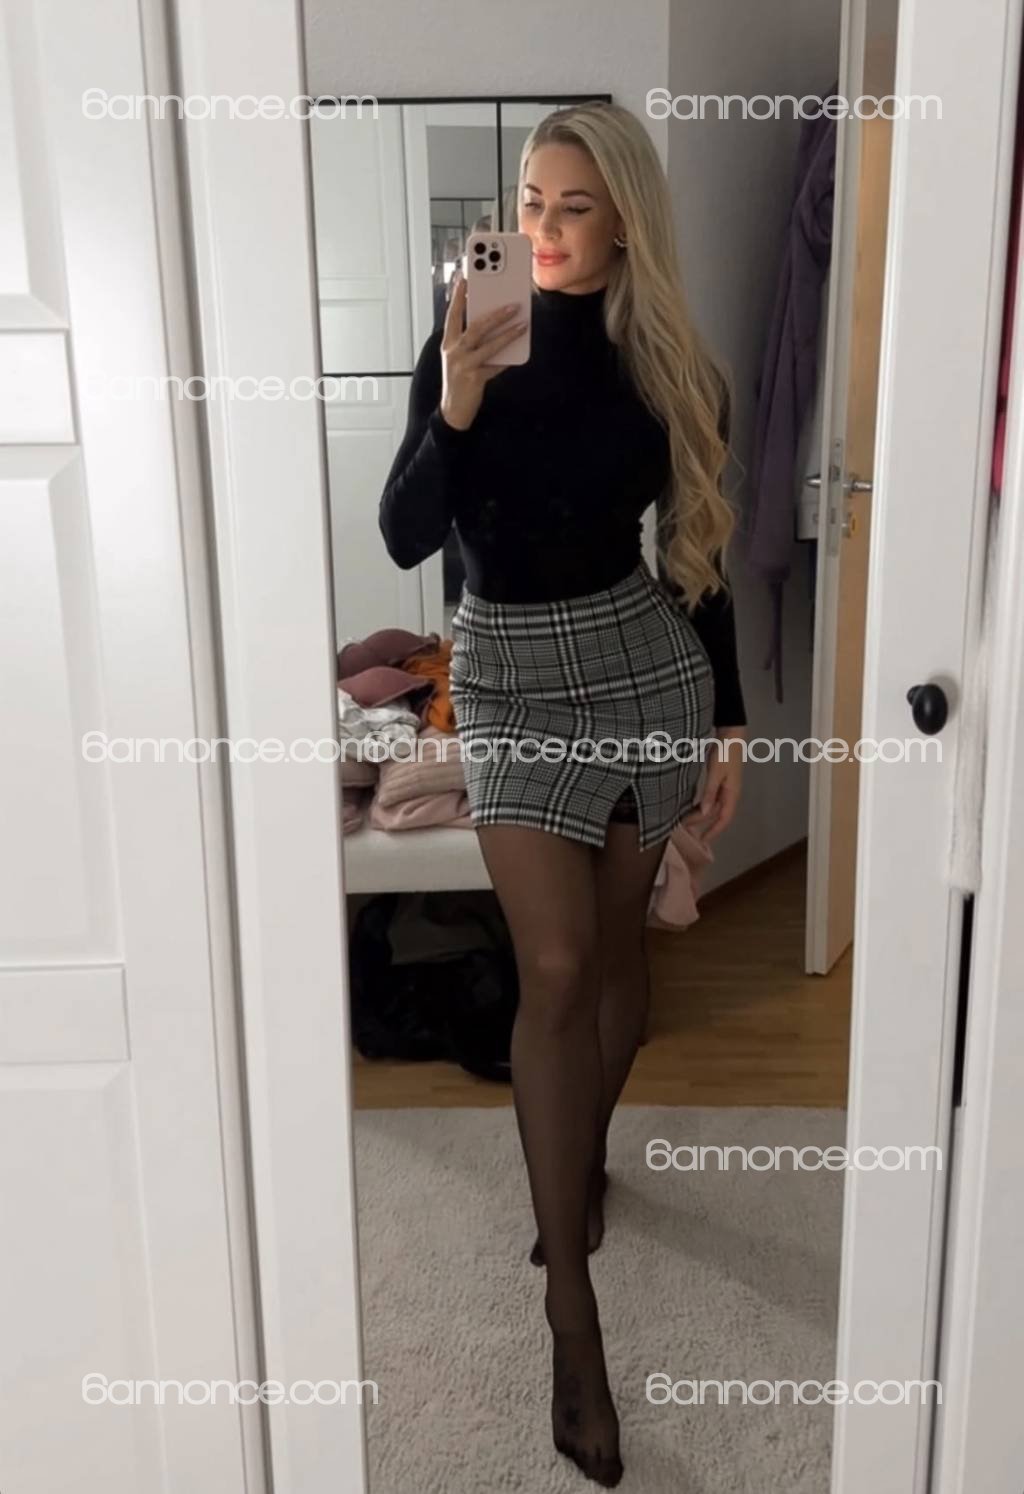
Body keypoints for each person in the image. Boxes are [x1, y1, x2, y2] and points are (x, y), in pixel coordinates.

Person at [379, 99, 747, 1488]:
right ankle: (572, 1322)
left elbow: (696, 549)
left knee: (619, 958)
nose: (540, 229)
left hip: (640, 663)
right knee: (554, 964)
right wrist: (457, 405)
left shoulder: (670, 368)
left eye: (572, 206)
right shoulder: (463, 349)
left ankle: (579, 1162)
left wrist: (729, 714)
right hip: (509, 675)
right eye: (529, 202)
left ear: (625, 221)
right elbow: (406, 531)